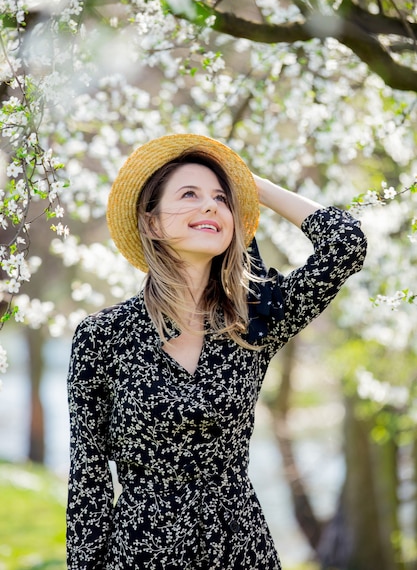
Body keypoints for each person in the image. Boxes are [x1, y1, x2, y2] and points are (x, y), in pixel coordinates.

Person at [66, 133, 367, 570]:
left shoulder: (254, 321)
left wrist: (251, 185)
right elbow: (88, 479)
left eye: (222, 199)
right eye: (189, 194)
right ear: (151, 222)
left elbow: (345, 245)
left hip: (239, 548)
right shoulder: (103, 335)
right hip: (142, 553)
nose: (210, 206)